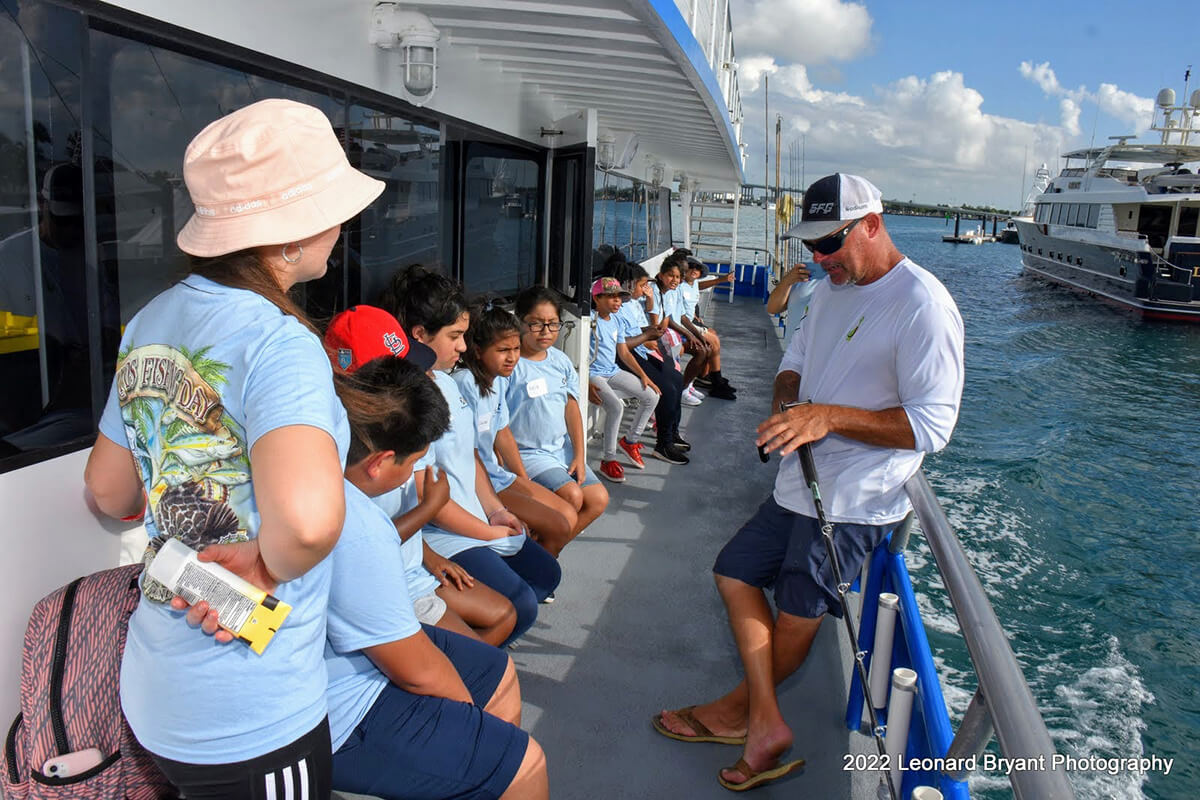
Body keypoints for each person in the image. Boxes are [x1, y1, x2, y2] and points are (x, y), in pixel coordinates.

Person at [83, 98, 384, 797]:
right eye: (332, 207)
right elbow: (307, 525)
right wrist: (265, 561)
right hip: (249, 706)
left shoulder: (148, 321)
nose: (341, 225)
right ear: (289, 235)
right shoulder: (280, 342)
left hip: (159, 683)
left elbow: (109, 492)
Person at [653, 173, 965, 791]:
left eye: (829, 244)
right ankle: (764, 719)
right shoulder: (828, 290)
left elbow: (933, 424)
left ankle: (740, 715)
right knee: (734, 570)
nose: (818, 260)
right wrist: (789, 405)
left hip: (852, 503)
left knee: (797, 615)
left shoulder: (922, 305)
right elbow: (794, 362)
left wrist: (829, 417)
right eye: (811, 247)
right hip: (800, 483)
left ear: (872, 225)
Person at [321, 341, 548, 800]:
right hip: (338, 710)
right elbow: (417, 672)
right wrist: (469, 723)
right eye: (413, 463)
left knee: (498, 670)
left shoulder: (318, 465)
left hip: (361, 649)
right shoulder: (357, 528)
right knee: (526, 764)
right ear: (382, 461)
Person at [383, 265, 561, 646]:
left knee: (546, 575)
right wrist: (486, 532)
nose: (463, 347)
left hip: (476, 517)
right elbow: (427, 497)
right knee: (520, 605)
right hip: (443, 532)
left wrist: (496, 510)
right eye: (455, 336)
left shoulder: (447, 382)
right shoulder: (410, 403)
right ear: (419, 335)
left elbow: (472, 457)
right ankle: (473, 663)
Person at [325, 304, 515, 645]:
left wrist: (429, 556)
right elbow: (361, 546)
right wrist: (430, 509)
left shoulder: (402, 429)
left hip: (414, 567)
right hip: (389, 586)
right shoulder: (345, 458)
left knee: (504, 615)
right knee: (484, 661)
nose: (422, 379)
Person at [457, 299, 580, 553]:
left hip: (499, 475)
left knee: (569, 515)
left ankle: (539, 571)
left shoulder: (497, 381)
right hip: (479, 481)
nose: (512, 358)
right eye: (503, 350)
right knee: (558, 525)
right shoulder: (465, 383)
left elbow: (502, 432)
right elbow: (467, 452)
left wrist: (524, 482)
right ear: (478, 351)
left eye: (515, 349)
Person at [506, 286, 610, 551]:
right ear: (520, 321)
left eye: (553, 324)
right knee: (572, 497)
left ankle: (545, 554)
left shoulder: (561, 361)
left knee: (598, 499)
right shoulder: (511, 366)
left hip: (560, 451)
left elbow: (572, 408)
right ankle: (539, 558)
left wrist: (579, 455)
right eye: (537, 324)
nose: (546, 332)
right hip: (529, 454)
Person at [606, 260, 690, 464]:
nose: (645, 291)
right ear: (628, 284)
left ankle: (671, 433)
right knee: (667, 389)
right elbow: (622, 344)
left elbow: (636, 332)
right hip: (625, 357)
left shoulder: (630, 304)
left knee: (677, 379)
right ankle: (663, 444)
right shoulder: (616, 307)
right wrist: (647, 336)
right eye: (642, 286)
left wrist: (649, 333)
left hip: (639, 351)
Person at [587, 276, 660, 482]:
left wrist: (644, 376)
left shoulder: (616, 320)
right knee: (616, 407)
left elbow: (624, 353)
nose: (617, 301)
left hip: (612, 370)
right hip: (594, 374)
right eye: (611, 297)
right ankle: (608, 459)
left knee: (652, 396)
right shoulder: (589, 321)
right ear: (597, 298)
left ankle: (630, 440)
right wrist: (586, 382)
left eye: (619, 297)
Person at [677, 254, 736, 398]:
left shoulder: (694, 283)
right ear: (684, 268)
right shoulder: (679, 285)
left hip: (691, 320)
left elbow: (700, 286)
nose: (694, 270)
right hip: (683, 324)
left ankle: (704, 376)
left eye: (698, 268)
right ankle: (717, 383)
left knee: (713, 334)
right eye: (691, 266)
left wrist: (721, 280)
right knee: (713, 341)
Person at [765, 262, 824, 350]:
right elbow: (772, 308)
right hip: (791, 357)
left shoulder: (849, 281)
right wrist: (787, 281)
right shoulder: (806, 270)